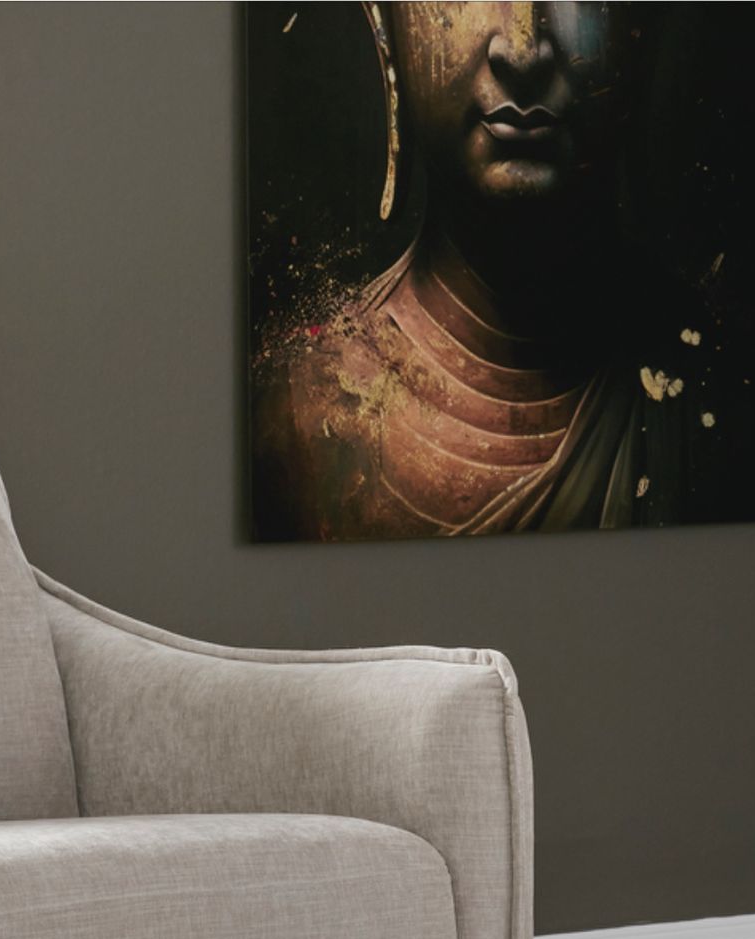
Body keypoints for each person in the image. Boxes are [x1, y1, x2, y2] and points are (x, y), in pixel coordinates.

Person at [252, 2, 717, 541]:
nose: (522, 52)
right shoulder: (298, 421)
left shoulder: (731, 405)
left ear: (645, 29)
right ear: (388, 29)